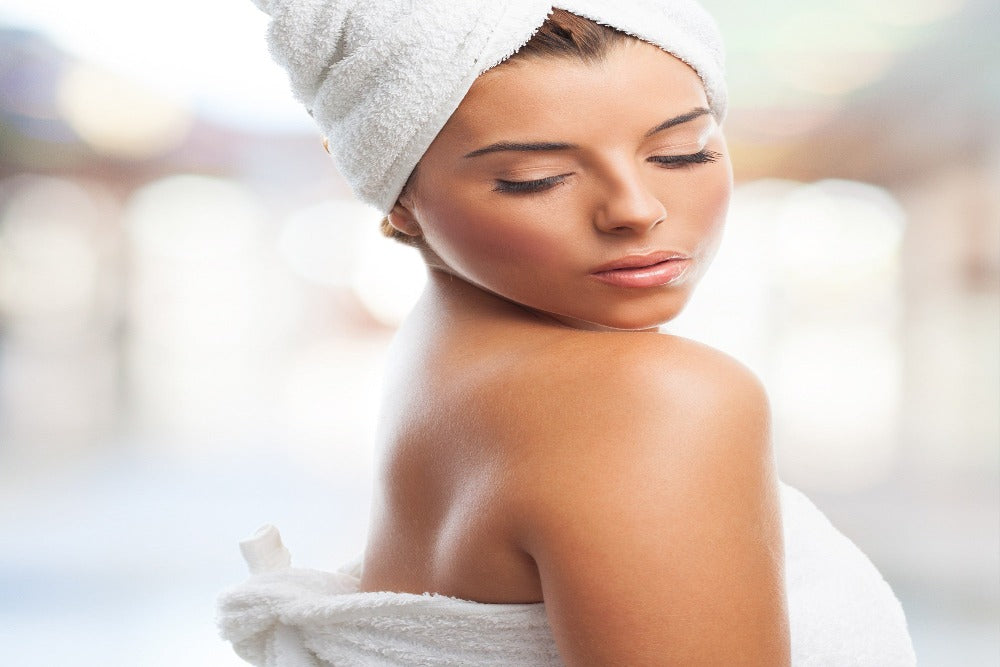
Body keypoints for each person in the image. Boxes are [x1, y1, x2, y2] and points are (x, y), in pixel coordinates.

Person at [218, 2, 916, 665]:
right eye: (536, 179)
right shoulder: (648, 398)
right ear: (396, 194)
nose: (637, 210)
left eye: (682, 153)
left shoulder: (446, 357)